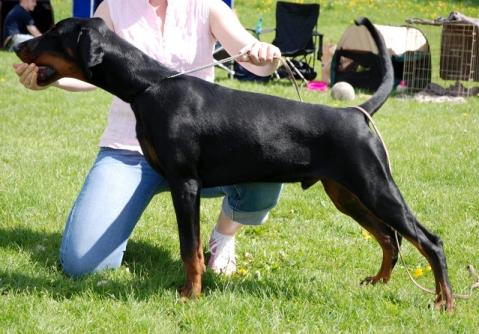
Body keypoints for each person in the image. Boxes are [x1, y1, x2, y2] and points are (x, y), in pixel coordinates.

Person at [13, 0, 283, 277]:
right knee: (83, 266)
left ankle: (223, 237)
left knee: (268, 157)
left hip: (197, 151)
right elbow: (88, 70)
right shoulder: (113, 7)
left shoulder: (207, 6)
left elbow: (254, 62)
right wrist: (52, 79)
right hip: (129, 150)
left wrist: (267, 55)